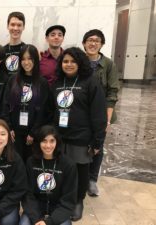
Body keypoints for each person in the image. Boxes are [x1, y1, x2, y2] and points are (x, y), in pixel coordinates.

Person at [52, 47, 107, 221]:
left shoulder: (90, 82)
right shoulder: (57, 83)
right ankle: (62, 199)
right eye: (65, 61)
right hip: (60, 136)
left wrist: (97, 141)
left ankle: (77, 201)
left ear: (80, 63)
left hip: (81, 138)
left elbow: (99, 113)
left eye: (73, 61)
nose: (68, 64)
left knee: (80, 171)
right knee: (61, 171)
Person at [82, 29, 119, 197]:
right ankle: (80, 178)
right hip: (82, 113)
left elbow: (112, 92)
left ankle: (91, 180)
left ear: (102, 44)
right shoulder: (79, 62)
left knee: (98, 146)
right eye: (89, 40)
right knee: (82, 146)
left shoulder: (108, 64)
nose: (93, 43)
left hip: (102, 114)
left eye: (97, 40)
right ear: (84, 43)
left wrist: (107, 119)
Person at [20, 125, 77, 225]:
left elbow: (68, 200)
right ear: (38, 142)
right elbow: (27, 194)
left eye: (52, 141)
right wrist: (37, 220)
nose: (48, 145)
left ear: (57, 142)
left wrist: (48, 222)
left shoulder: (68, 165)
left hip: (58, 209)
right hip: (36, 208)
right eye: (44, 141)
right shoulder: (31, 162)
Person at [3, 44, 50, 162]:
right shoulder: (13, 80)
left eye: (30, 59)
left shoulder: (42, 82)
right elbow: (6, 104)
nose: (26, 62)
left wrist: (34, 133)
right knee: (15, 162)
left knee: (30, 163)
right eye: (23, 59)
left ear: (35, 60)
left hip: (32, 134)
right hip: (15, 132)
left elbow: (43, 110)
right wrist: (9, 127)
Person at [4, 11, 26, 76]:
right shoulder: (2, 51)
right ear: (8, 26)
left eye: (19, 25)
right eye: (12, 25)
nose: (16, 28)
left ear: (23, 27)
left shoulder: (28, 50)